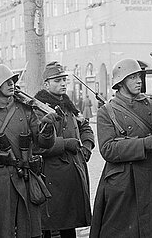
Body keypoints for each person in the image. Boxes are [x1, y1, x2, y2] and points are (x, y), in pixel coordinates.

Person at [90, 59, 152, 238]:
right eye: (132, 77)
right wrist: (145, 143)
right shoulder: (107, 111)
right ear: (120, 82)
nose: (139, 81)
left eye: (139, 76)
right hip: (124, 185)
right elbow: (107, 149)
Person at [0, 64, 56, 238]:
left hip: (26, 180)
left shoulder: (26, 110)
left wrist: (47, 127)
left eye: (12, 80)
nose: (11, 84)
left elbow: (43, 144)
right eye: (6, 81)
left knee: (29, 232)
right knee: (0, 232)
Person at [34, 61, 95, 238]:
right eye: (57, 80)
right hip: (52, 175)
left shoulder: (69, 106)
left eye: (64, 80)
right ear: (46, 84)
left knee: (70, 225)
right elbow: (37, 145)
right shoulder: (38, 109)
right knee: (52, 226)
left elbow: (85, 127)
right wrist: (66, 143)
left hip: (74, 172)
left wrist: (87, 147)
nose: (62, 84)